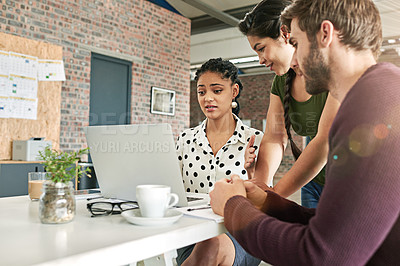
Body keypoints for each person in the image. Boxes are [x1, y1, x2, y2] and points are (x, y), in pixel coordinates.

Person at [210, 0, 400, 264]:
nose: (295, 59)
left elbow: (321, 256)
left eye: (296, 43)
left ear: (325, 34)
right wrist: (269, 202)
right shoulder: (378, 91)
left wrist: (233, 207)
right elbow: (339, 229)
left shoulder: (374, 106)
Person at [239, 0, 340, 208]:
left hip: (349, 184)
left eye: (261, 48)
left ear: (285, 34)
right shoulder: (282, 80)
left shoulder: (336, 70)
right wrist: (260, 185)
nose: (259, 59)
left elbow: (323, 142)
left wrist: (272, 197)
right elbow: (275, 136)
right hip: (312, 182)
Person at [175, 58, 263, 265]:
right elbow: (174, 191)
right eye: (201, 91)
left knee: (213, 243)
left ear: (234, 92)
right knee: (208, 243)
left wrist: (252, 174)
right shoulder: (185, 140)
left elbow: (265, 199)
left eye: (216, 91)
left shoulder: (255, 139)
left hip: (241, 233)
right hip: (191, 233)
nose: (207, 98)